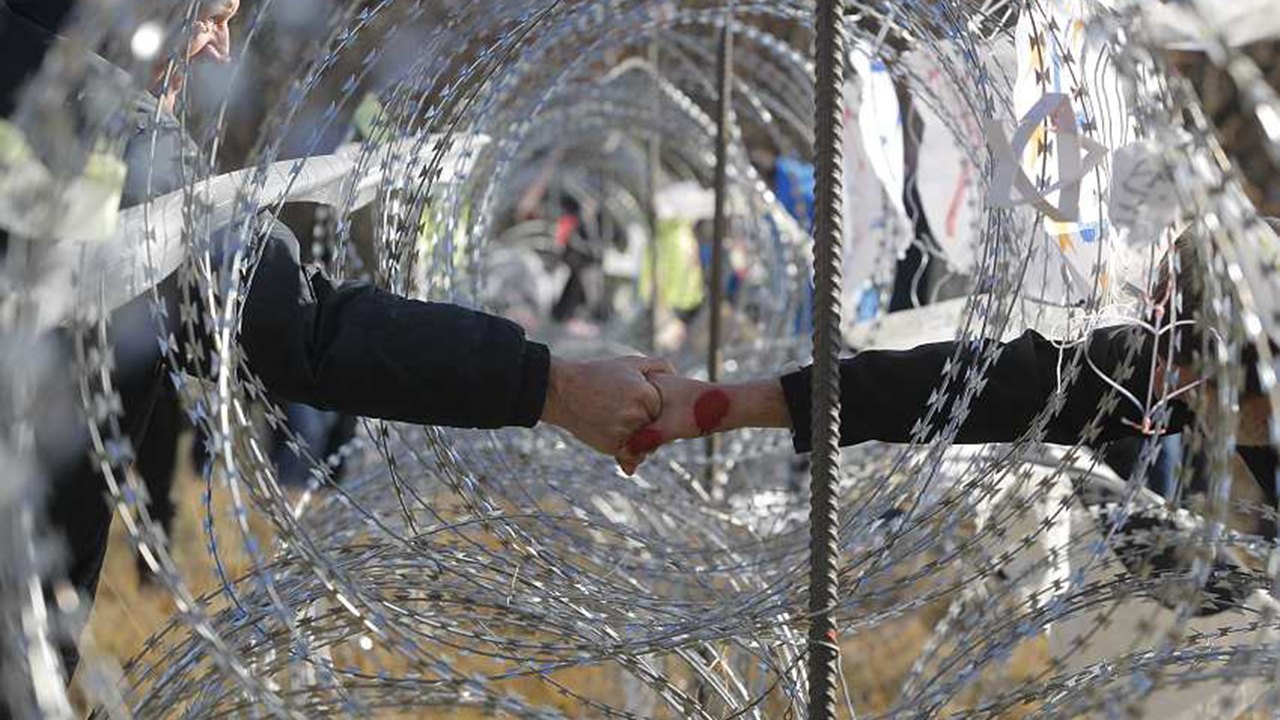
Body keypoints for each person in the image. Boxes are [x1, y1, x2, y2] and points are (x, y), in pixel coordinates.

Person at [0, 0, 670, 690]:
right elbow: (300, 325)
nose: (216, 49)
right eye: (209, 14)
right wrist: (551, 387)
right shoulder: (99, 131)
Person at [617, 231, 1276, 472]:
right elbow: (974, 387)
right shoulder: (1155, 373)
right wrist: (725, 405)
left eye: (1184, 371)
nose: (1164, 389)